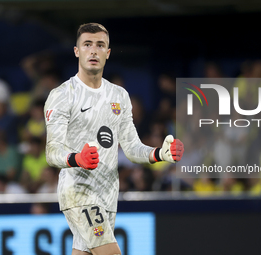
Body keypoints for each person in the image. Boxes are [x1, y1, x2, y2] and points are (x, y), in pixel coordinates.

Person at [44, 23, 184, 255]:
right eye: (87, 44)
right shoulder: (62, 95)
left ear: (108, 53)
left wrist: (160, 153)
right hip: (78, 191)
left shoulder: (119, 96)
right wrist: (76, 158)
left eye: (100, 45)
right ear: (77, 51)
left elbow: (131, 147)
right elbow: (52, 152)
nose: (93, 51)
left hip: (108, 193)